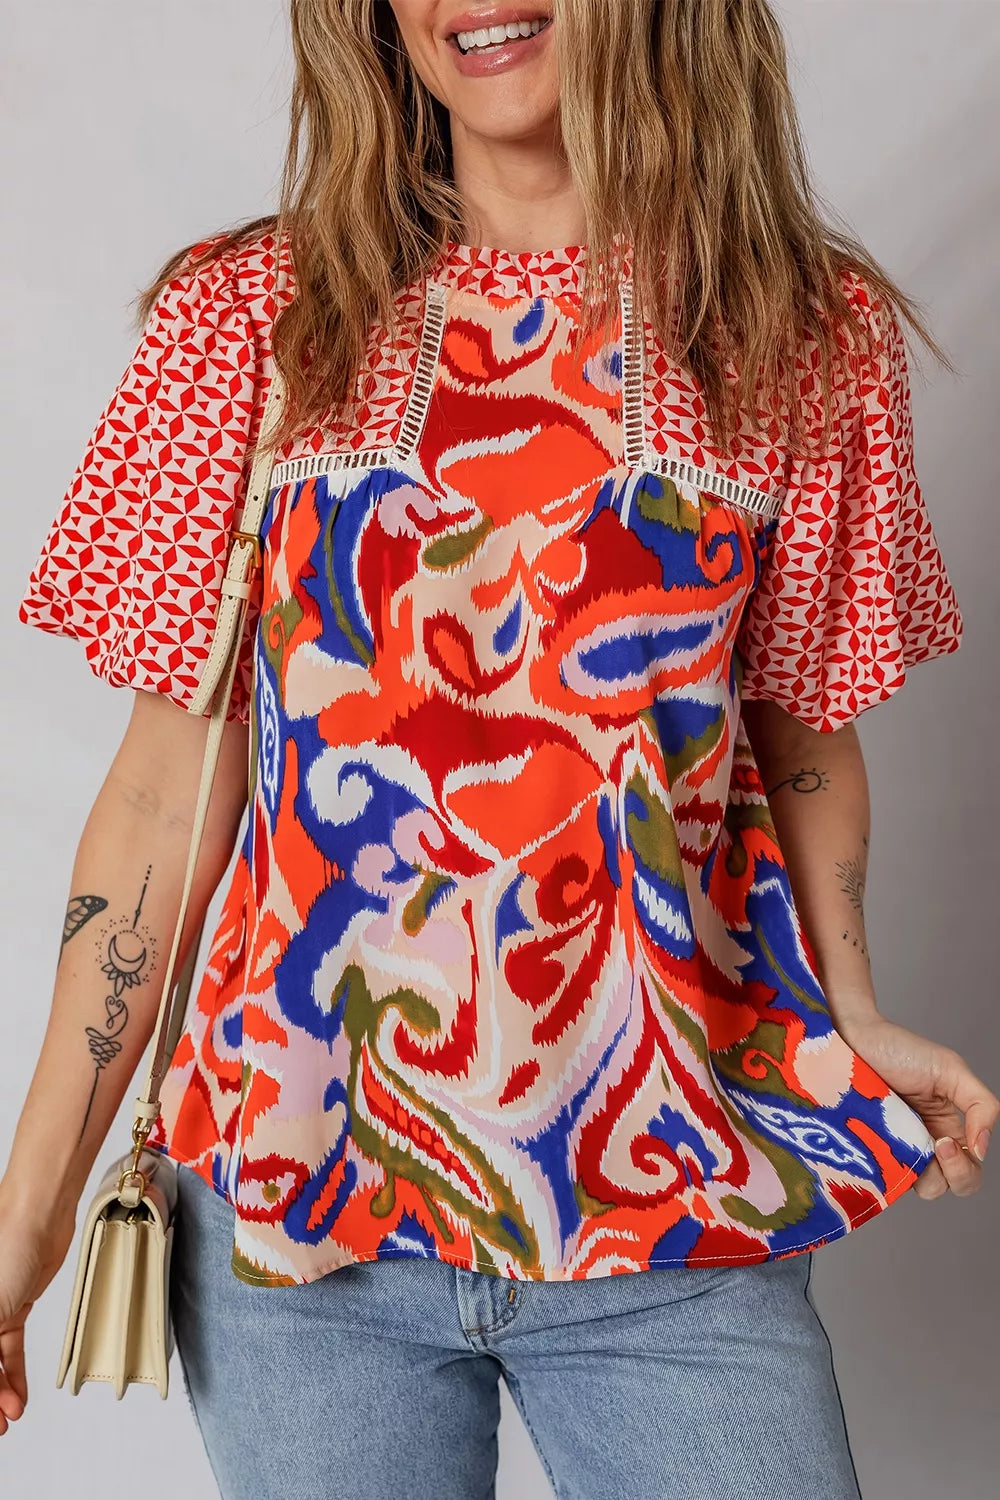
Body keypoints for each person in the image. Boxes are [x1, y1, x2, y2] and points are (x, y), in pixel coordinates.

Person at [1, 1, 995, 1496]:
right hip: (299, 1229)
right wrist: (22, 1227)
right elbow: (157, 800)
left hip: (680, 1204)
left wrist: (850, 1010)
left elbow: (803, 738)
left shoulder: (800, 334)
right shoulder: (253, 319)